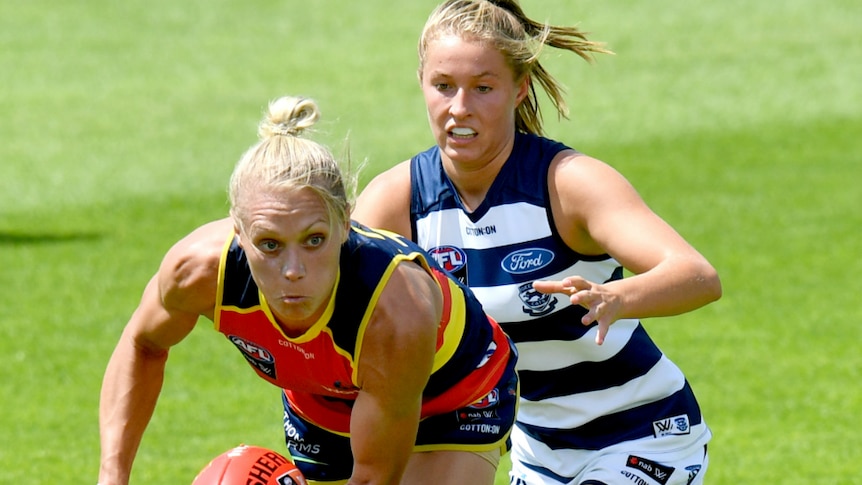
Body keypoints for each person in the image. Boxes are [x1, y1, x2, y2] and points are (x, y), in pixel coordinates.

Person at [351, 1, 722, 484]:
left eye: (483, 88)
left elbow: (696, 276)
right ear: (421, 81)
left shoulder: (566, 184)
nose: (459, 108)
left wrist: (617, 298)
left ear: (519, 87)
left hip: (645, 435)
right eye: (443, 86)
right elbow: (346, 314)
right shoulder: (395, 201)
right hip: (539, 453)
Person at [97, 95, 519, 485]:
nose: (293, 271)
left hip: (456, 392)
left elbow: (374, 478)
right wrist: (111, 477)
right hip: (323, 400)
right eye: (269, 245)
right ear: (239, 233)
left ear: (345, 224)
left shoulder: (393, 312)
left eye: (314, 239)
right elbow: (144, 345)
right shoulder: (198, 272)